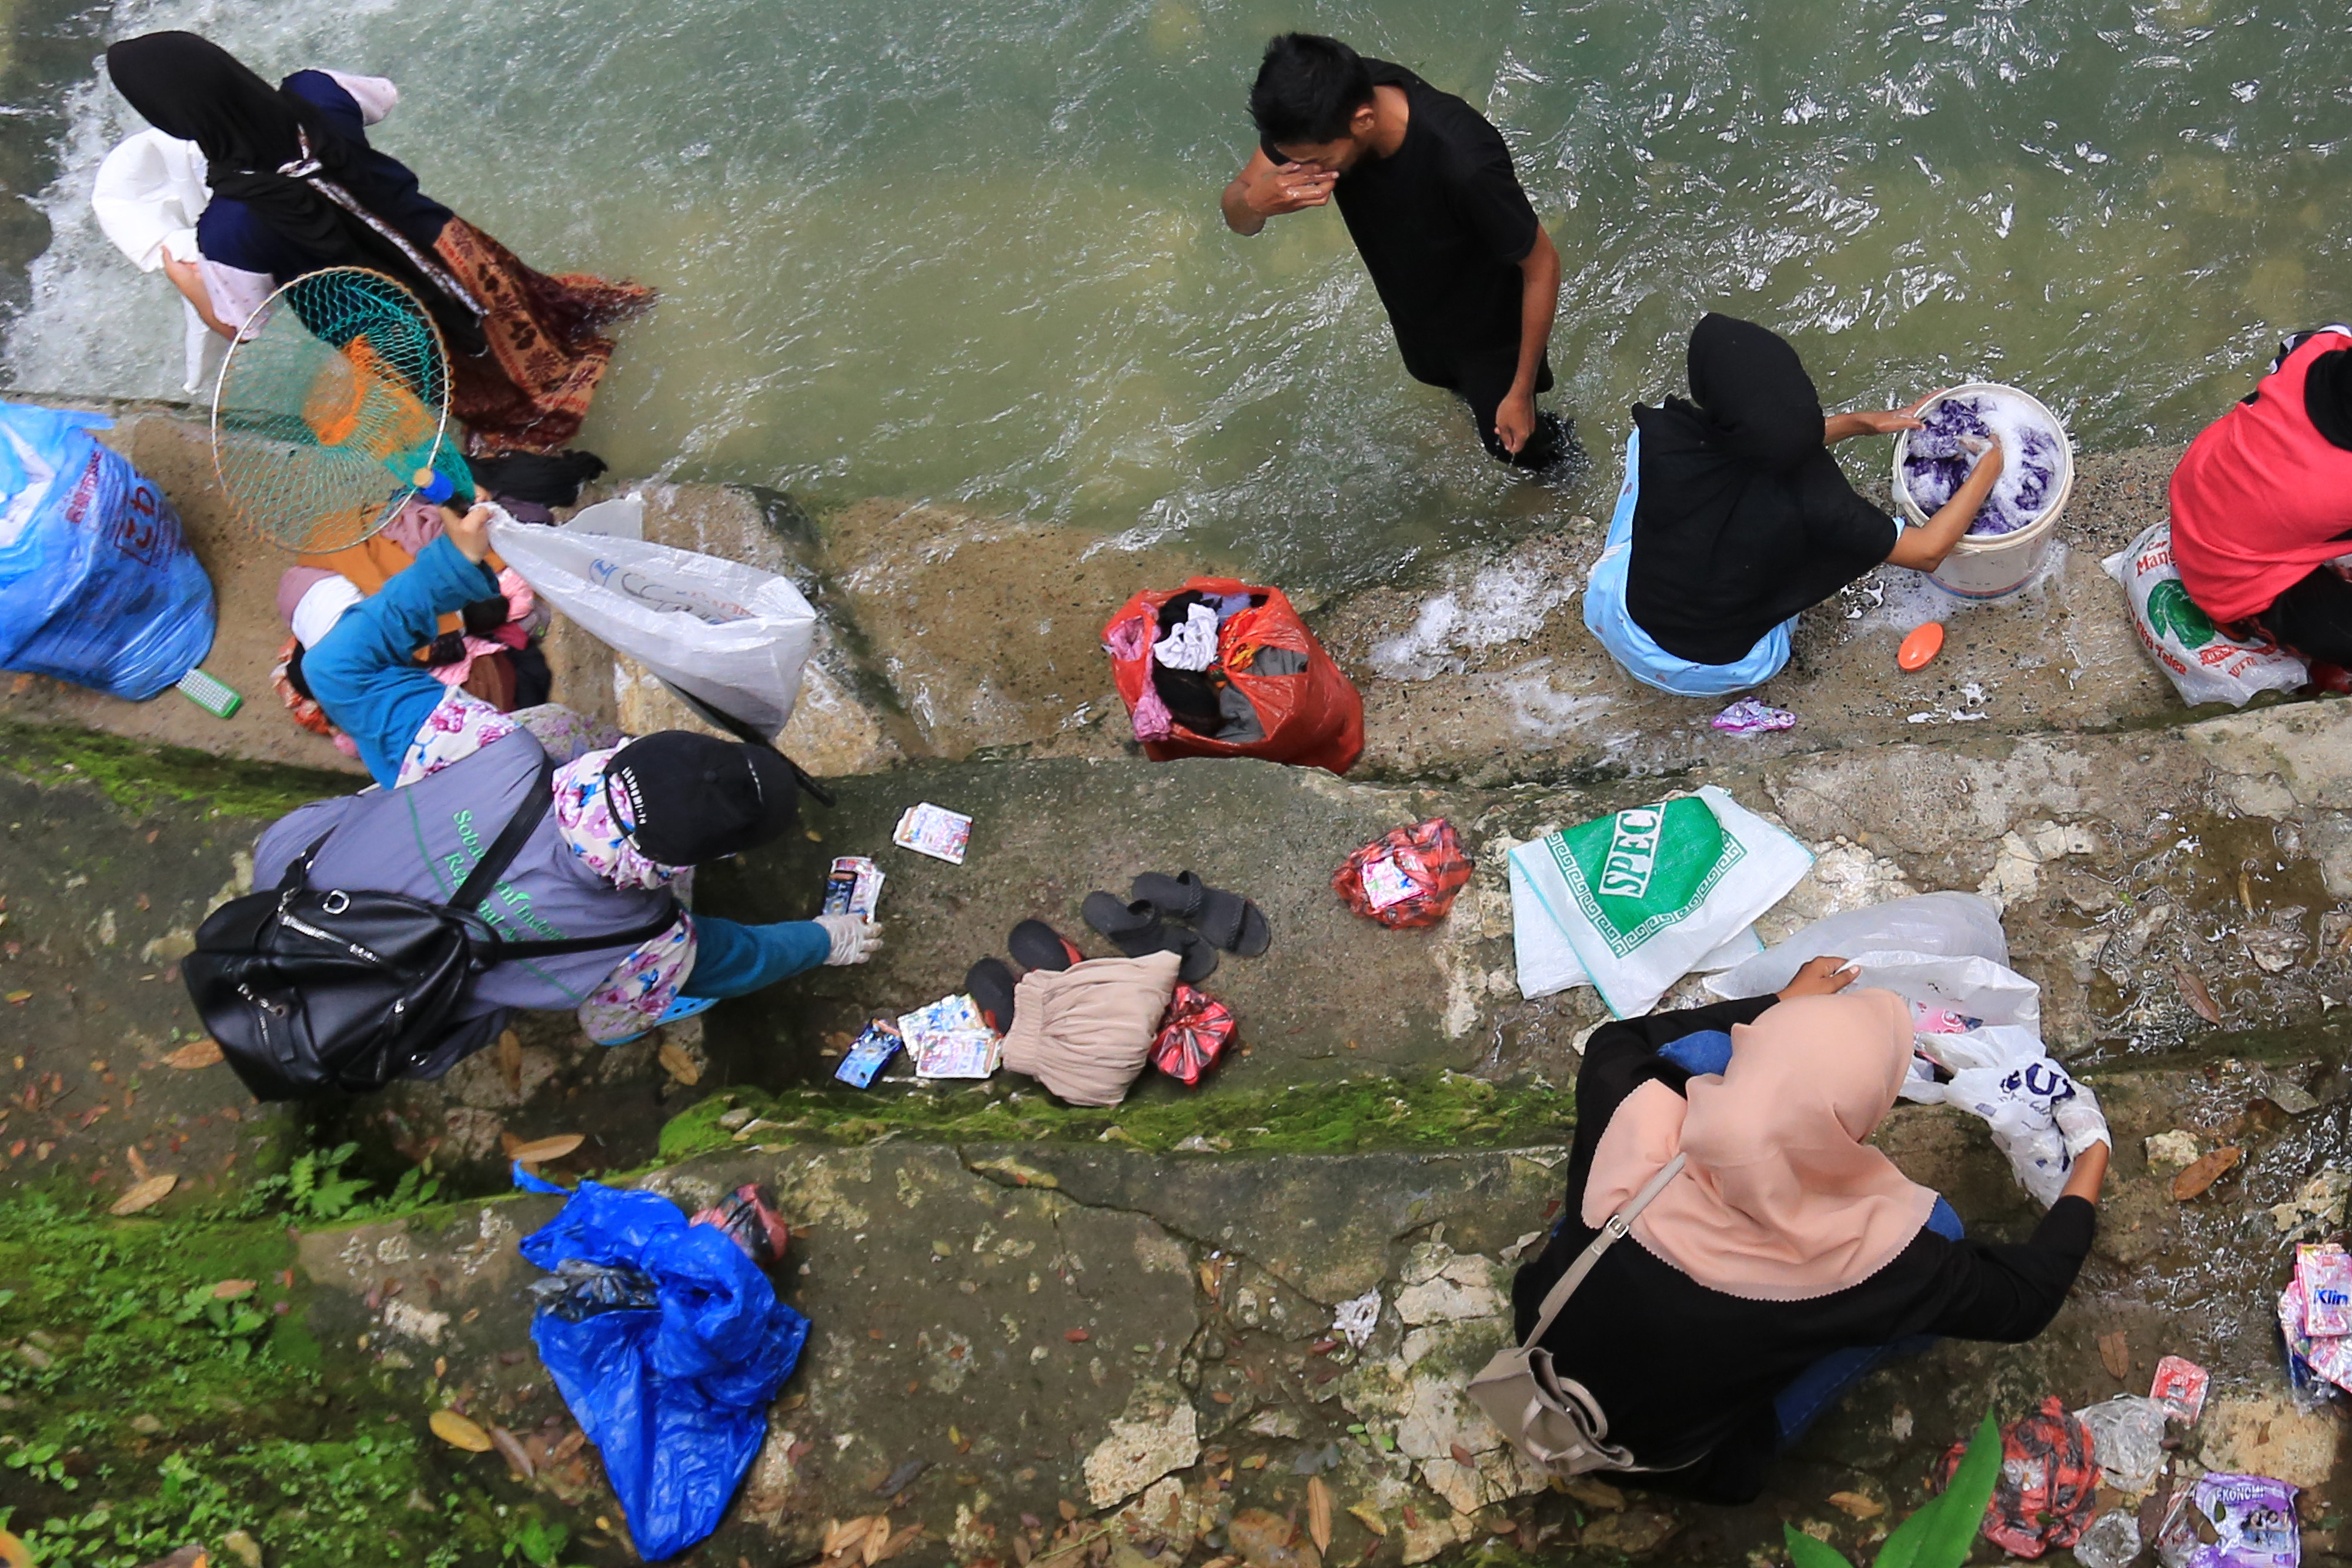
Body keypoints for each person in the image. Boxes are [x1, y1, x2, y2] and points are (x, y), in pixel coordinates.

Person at [254, 499, 877, 1054]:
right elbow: (730, 961)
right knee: (621, 1015)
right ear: (681, 865)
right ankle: (631, 1009)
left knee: (549, 727)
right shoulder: (646, 939)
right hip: (367, 1013)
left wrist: (453, 565)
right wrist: (826, 940)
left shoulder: (482, 747)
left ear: (613, 763)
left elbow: (337, 665)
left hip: (296, 887)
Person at [1507, 961, 2108, 1503]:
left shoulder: (1623, 1092)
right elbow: (2026, 1301)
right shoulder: (1875, 1266)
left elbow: (1619, 1039)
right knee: (1940, 1233)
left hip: (1543, 1354)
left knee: (1684, 1067)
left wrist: (1774, 1004)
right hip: (1677, 1460)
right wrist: (2088, 1156)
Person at [103, 32, 650, 453]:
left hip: (384, 320)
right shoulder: (314, 92)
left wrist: (184, 276)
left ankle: (540, 424)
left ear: (172, 124)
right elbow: (380, 98)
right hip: (451, 252)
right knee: (519, 307)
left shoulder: (230, 226)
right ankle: (610, 316)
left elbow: (241, 325)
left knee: (487, 397)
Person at [1583, 314, 2004, 697]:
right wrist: (1989, 466)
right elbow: (1928, 550)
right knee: (1794, 544)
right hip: (1717, 670)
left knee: (1657, 485)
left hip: (1616, 619)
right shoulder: (1817, 497)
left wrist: (1860, 423)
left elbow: (1755, 438)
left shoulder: (1663, 436)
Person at [1220, 33, 1566, 470]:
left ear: (1363, 121)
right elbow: (1237, 210)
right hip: (1416, 304)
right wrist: (1255, 204)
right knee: (1455, 389)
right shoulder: (1317, 107)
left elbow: (1542, 265)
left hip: (1489, 328)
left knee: (1515, 446)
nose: (1302, 171)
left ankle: (1567, 489)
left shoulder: (1463, 160)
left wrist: (1519, 391)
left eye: (1315, 161)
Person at [2169, 324, 2352, 668]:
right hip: (2232, 577)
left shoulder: (2320, 346)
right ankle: (2243, 618)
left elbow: (2291, 344)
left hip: (2198, 490)